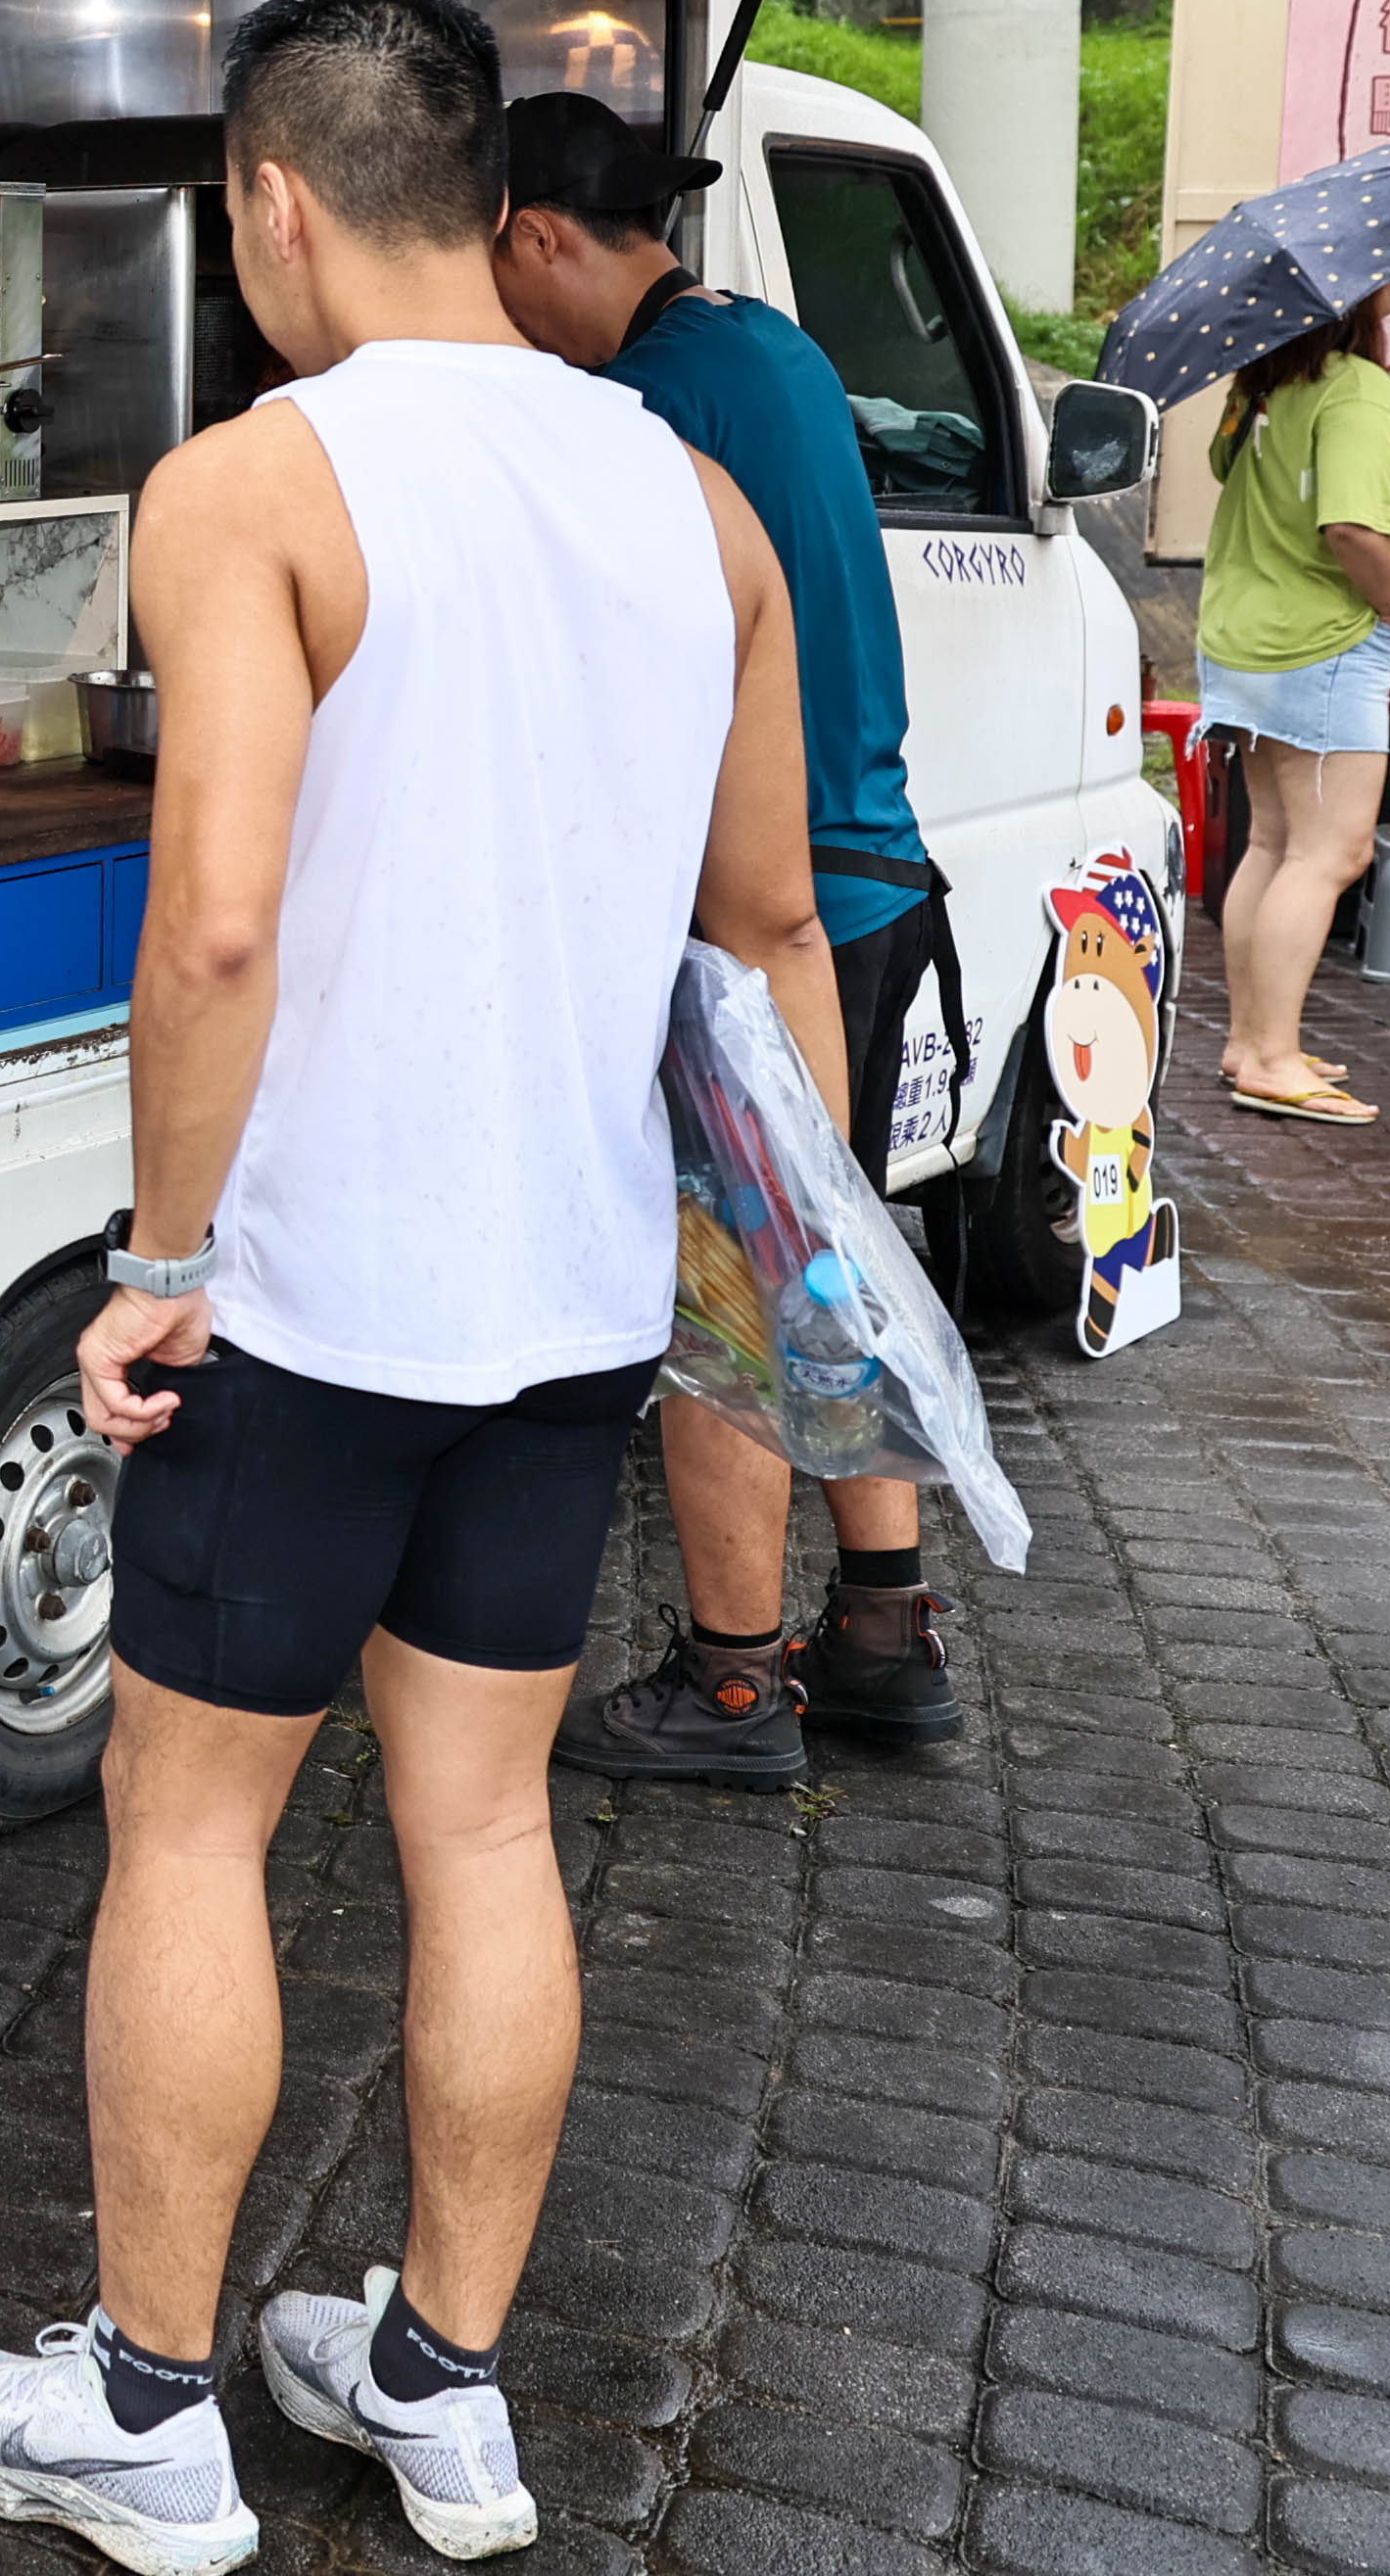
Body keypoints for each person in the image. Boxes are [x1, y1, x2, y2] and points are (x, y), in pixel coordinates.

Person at [0, 0, 846, 2575]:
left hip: (312, 1309)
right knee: (487, 1828)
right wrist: (790, 1297)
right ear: (490, 196)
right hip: (574, 1308)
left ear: (275, 203)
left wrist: (157, 1261)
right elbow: (775, 928)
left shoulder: (253, 484)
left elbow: (213, 926)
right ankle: (441, 2386)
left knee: (189, 1829)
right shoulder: (698, 506)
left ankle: (143, 2407)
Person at [486, 94, 966, 1788]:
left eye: (490, 265)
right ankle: (885, 1631)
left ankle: (735, 1681)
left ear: (539, 236)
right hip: (875, 885)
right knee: (825, 1258)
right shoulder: (769, 349)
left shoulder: (639, 407)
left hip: (764, 918)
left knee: (722, 1295)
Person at [1194, 290, 1390, 1124]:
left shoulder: (1261, 384)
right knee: (1331, 852)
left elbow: (1223, 468)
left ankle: (1250, 1040)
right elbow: (1352, 528)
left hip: (1248, 637)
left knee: (1274, 842)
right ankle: (1272, 1058)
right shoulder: (1354, 388)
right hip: (1326, 641)